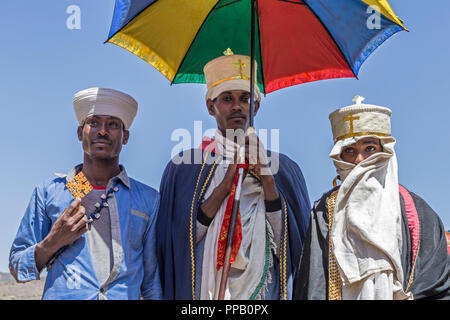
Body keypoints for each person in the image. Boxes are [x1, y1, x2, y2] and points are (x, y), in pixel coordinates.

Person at [156, 49, 311, 300]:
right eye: (227, 98)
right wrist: (224, 185)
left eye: (246, 97)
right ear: (210, 106)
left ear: (257, 105)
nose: (237, 106)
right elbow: (177, 245)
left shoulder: (286, 168)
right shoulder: (184, 167)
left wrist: (268, 180)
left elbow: (294, 247)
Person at [9, 87, 162, 300]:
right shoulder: (50, 193)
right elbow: (17, 266)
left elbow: (151, 280)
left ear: (125, 137)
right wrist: (53, 241)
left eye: (113, 124)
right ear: (80, 133)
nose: (102, 131)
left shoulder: (148, 200)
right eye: (94, 122)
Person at [295, 97, 450, 300]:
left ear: (385, 151)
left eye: (369, 149)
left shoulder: (419, 212)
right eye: (350, 151)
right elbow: (313, 283)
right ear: (339, 158)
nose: (359, 160)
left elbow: (436, 283)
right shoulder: (324, 211)